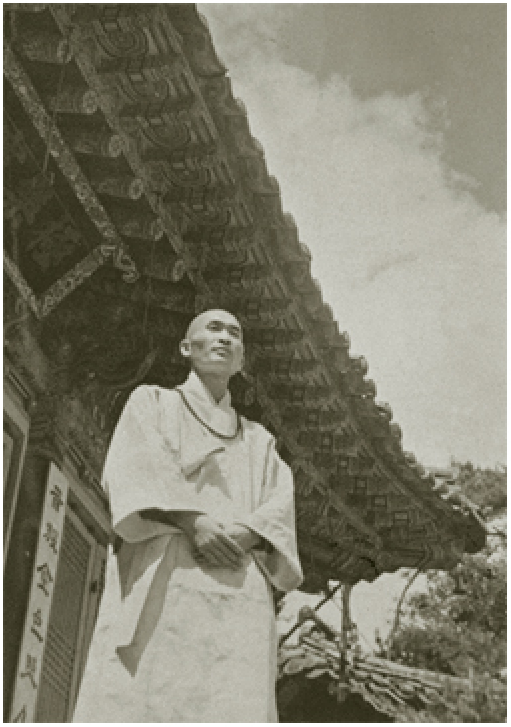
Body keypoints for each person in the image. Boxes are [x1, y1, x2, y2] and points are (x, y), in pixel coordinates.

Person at [73, 309, 303, 722]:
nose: (225, 338)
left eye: (235, 334)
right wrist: (193, 522)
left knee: (232, 696)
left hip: (237, 577)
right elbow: (138, 466)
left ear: (241, 360)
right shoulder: (153, 402)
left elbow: (278, 505)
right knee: (149, 688)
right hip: (167, 566)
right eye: (213, 329)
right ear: (186, 347)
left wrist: (245, 534)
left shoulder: (259, 440)